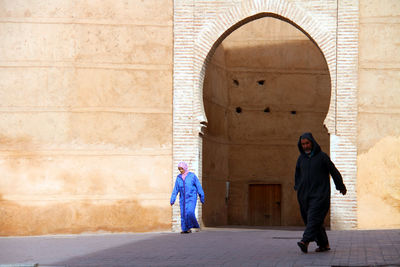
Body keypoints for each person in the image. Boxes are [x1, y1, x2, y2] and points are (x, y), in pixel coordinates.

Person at [294, 132, 347, 253]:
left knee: (313, 218)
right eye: (303, 144)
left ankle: (305, 241)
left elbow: (334, 171)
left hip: (320, 195)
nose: (305, 146)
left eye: (307, 143)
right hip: (304, 196)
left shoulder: (322, 157)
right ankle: (324, 244)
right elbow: (297, 175)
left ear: (312, 143)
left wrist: (341, 186)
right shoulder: (301, 159)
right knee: (312, 220)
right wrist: (297, 186)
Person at [170, 162, 205, 234]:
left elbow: (198, 186)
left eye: (182, 169)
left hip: (191, 197)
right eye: (179, 169)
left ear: (185, 168)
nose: (181, 171)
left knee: (190, 212)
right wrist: (172, 199)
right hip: (182, 198)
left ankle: (194, 225)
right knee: (183, 214)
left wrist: (202, 196)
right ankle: (185, 229)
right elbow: (175, 189)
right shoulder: (178, 178)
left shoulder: (192, 176)